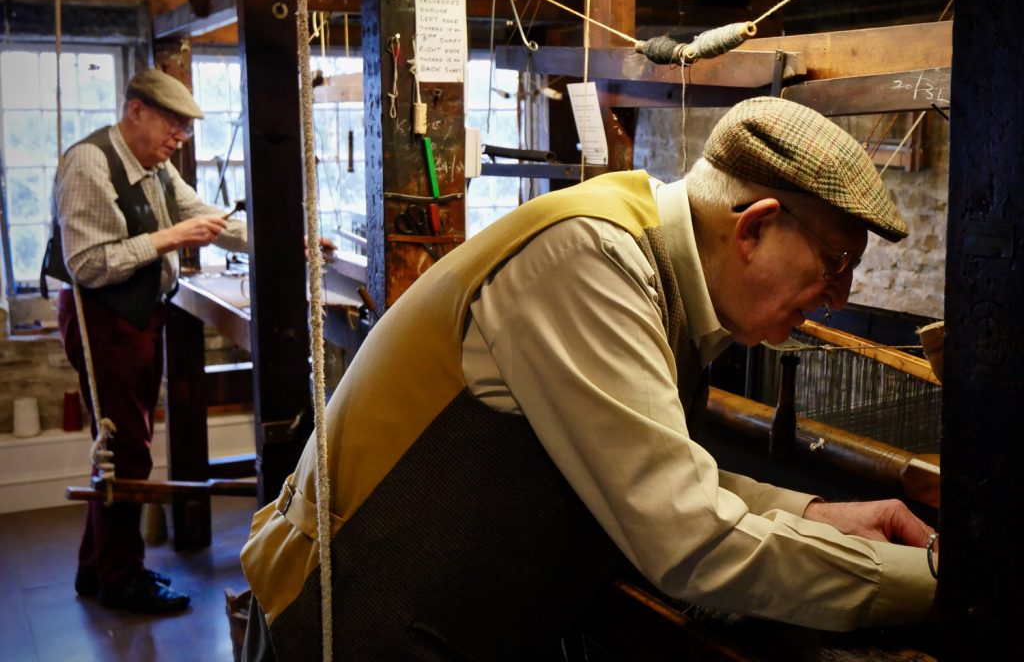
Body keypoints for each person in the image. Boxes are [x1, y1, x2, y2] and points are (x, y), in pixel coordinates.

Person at [240, 97, 937, 660]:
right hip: (349, 630)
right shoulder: (587, 263)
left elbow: (657, 474)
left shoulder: (660, 276)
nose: (840, 295)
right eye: (836, 260)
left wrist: (818, 517)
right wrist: (940, 586)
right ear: (752, 229)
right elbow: (690, 540)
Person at [43, 68, 248, 613]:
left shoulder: (153, 166)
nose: (178, 141)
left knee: (120, 447)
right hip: (103, 316)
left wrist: (286, 237)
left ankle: (98, 569)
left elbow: (203, 215)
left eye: (183, 132)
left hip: (136, 315)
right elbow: (86, 263)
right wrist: (170, 239)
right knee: (125, 446)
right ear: (136, 111)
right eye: (172, 128)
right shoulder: (89, 163)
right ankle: (121, 579)